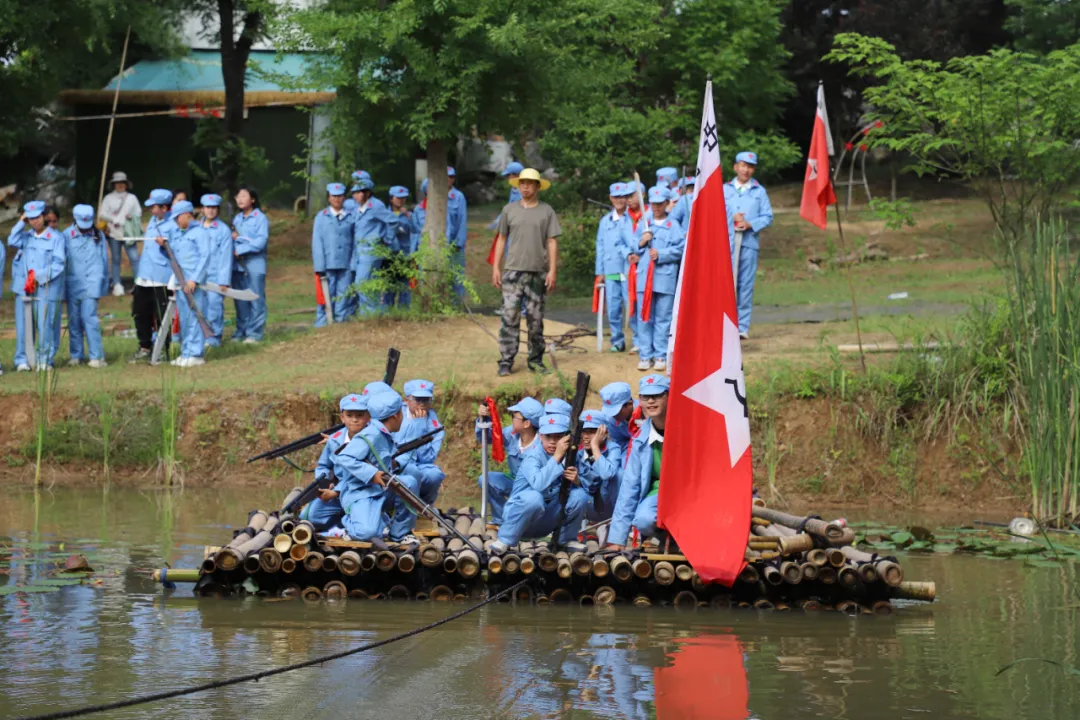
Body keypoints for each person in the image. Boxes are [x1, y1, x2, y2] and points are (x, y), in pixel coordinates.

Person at [491, 168, 562, 376]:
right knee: (509, 316)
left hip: (537, 273)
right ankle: (506, 360)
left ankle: (536, 360)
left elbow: (552, 241)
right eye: (522, 183)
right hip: (512, 272)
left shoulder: (547, 211)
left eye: (530, 183)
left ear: (538, 186)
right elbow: (501, 239)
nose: (525, 187)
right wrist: (496, 267)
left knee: (535, 319)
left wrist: (552, 270)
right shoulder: (509, 210)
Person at [488, 411, 588, 554]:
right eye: (548, 436)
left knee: (579, 495)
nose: (553, 441)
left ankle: (565, 539)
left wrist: (577, 481)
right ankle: (504, 539)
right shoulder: (532, 456)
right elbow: (539, 485)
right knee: (534, 498)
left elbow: (587, 489)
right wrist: (558, 456)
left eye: (558, 437)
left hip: (548, 519)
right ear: (540, 436)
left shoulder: (572, 456)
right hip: (521, 521)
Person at [333, 389, 421, 544]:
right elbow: (345, 457)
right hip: (361, 494)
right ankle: (350, 525)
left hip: (381, 489)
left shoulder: (383, 433)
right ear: (395, 416)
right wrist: (372, 474)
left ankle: (399, 534)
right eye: (401, 413)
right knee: (367, 533)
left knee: (409, 483)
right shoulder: (371, 434)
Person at [607, 374, 670, 549]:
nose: (650, 401)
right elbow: (629, 487)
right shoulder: (639, 439)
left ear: (669, 396)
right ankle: (661, 537)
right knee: (643, 520)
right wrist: (617, 539)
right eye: (645, 397)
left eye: (657, 396)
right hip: (658, 494)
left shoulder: (689, 431)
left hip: (689, 495)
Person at [632, 186, 685, 372]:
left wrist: (661, 253)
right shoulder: (643, 224)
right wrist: (642, 241)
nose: (656, 207)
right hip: (644, 277)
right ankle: (645, 355)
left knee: (663, 318)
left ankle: (660, 354)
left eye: (660, 203)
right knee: (644, 316)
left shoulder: (674, 225)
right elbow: (633, 246)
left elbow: (681, 248)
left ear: (666, 203)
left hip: (665, 278)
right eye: (653, 203)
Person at [9, 201, 65, 371]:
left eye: (37, 217)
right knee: (23, 324)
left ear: (44, 217)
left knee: (44, 323)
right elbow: (12, 239)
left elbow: (58, 264)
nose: (35, 221)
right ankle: (23, 359)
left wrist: (38, 277)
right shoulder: (26, 237)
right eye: (31, 219)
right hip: (24, 288)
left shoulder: (55, 238)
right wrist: (21, 221)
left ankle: (44, 359)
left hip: (45, 287)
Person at [723, 151, 774, 339]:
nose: (746, 170)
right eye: (743, 165)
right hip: (726, 244)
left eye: (750, 166)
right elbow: (712, 213)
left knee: (745, 285)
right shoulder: (724, 189)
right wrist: (731, 218)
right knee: (725, 283)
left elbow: (768, 217)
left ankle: (742, 326)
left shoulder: (759, 192)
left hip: (748, 243)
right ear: (736, 167)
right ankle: (723, 324)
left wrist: (751, 224)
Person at [304, 392, 370, 531]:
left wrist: (338, 491)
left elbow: (366, 474)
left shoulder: (373, 440)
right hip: (335, 492)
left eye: (359, 415)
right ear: (342, 417)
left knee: (364, 525)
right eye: (349, 415)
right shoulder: (334, 440)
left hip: (361, 493)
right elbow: (323, 465)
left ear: (368, 417)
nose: (354, 420)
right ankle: (341, 519)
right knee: (309, 516)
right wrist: (325, 482)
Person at [156, 200, 210, 367]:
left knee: (195, 316)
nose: (176, 221)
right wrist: (163, 247)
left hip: (193, 282)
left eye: (177, 217)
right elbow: (172, 257)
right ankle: (186, 351)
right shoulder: (178, 233)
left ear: (187, 215)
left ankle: (195, 354)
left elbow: (205, 257)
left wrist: (195, 278)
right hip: (180, 281)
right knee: (185, 319)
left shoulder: (200, 233)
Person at [476, 396, 543, 525]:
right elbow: (488, 437)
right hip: (513, 481)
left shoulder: (543, 442)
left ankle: (531, 523)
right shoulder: (511, 434)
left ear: (527, 423)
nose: (511, 419)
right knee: (485, 479)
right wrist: (483, 419)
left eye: (514, 416)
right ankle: (502, 519)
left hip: (533, 489)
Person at [130, 189, 175, 363]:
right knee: (140, 313)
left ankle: (164, 349)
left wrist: (165, 245)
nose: (151, 210)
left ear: (164, 207)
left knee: (162, 315)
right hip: (144, 276)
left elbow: (176, 251)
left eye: (154, 206)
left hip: (161, 277)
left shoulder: (173, 225)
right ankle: (144, 346)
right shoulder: (152, 221)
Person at [63, 205, 109, 368]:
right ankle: (76, 355)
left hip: (92, 283)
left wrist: (103, 284)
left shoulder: (99, 236)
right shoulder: (66, 235)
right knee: (74, 320)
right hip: (72, 283)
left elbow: (104, 261)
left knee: (90, 319)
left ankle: (96, 356)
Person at [594, 182, 635, 353]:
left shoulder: (632, 218)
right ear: (611, 198)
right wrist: (600, 272)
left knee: (631, 304)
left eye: (623, 197)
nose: (619, 200)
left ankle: (639, 340)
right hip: (611, 271)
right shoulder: (605, 221)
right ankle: (617, 340)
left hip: (628, 270)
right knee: (613, 305)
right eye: (616, 197)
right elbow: (600, 246)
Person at [395, 379, 446, 504]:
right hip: (396, 464)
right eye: (418, 399)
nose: (422, 404)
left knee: (435, 474)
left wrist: (420, 425)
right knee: (411, 471)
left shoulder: (435, 425)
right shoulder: (395, 415)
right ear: (406, 400)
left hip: (421, 464)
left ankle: (425, 507)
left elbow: (427, 458)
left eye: (426, 399)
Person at [351, 177, 396, 316]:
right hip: (360, 252)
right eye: (355, 192)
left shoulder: (375, 206)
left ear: (368, 193)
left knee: (361, 284)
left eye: (361, 192)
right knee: (370, 285)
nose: (358, 195)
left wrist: (387, 239)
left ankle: (375, 313)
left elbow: (393, 220)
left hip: (371, 251)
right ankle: (369, 316)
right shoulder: (357, 208)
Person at [312, 183, 355, 326]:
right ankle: (322, 321)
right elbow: (317, 242)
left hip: (346, 262)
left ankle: (340, 320)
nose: (337, 199)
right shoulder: (321, 217)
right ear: (329, 198)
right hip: (327, 263)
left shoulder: (351, 216)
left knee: (343, 293)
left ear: (344, 198)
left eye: (340, 196)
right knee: (326, 294)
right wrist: (319, 266)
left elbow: (355, 240)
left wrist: (353, 263)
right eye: (334, 196)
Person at [231, 186, 269, 343]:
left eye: (244, 196)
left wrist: (241, 248)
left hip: (254, 264)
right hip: (237, 265)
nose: (240, 199)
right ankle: (242, 330)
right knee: (240, 299)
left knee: (255, 298)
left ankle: (255, 333)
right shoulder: (237, 219)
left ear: (252, 199)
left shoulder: (260, 218)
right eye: (238, 196)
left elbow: (261, 241)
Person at [98, 171, 142, 296]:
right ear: (113, 185)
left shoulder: (132, 198)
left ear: (126, 184)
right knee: (116, 259)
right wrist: (113, 219)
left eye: (122, 183)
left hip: (128, 232)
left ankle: (138, 283)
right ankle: (117, 284)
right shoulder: (108, 198)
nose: (120, 185)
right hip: (114, 233)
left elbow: (138, 213)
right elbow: (102, 213)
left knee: (134, 258)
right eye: (117, 183)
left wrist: (131, 216)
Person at [199, 194, 233, 348]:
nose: (210, 211)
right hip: (198, 276)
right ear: (202, 209)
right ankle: (200, 336)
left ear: (218, 210)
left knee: (214, 306)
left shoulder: (223, 230)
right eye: (208, 207)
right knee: (199, 307)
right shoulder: (195, 227)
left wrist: (224, 280)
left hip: (215, 276)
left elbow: (226, 257)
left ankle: (214, 338)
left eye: (213, 208)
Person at [576, 410, 622, 523]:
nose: (586, 437)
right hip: (589, 504)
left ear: (604, 432)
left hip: (610, 506)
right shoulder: (579, 454)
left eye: (592, 432)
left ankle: (616, 522)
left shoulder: (613, 448)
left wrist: (595, 447)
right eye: (583, 431)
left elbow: (607, 474)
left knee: (620, 474)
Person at [384, 185, 416, 309]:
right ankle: (387, 314)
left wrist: (409, 217)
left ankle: (404, 314)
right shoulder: (384, 214)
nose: (401, 200)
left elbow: (415, 230)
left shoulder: (409, 214)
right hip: (389, 255)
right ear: (391, 199)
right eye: (398, 198)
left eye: (403, 198)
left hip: (405, 255)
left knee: (404, 288)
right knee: (389, 288)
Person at [446, 167, 468, 299]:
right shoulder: (435, 194)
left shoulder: (458, 196)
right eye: (447, 176)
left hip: (454, 244)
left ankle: (458, 305)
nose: (449, 179)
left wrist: (459, 242)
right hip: (440, 244)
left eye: (451, 177)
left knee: (457, 276)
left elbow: (462, 220)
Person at [599, 381, 639, 447]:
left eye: (616, 411)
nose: (613, 415)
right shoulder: (612, 420)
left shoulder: (646, 413)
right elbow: (619, 442)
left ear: (629, 404)